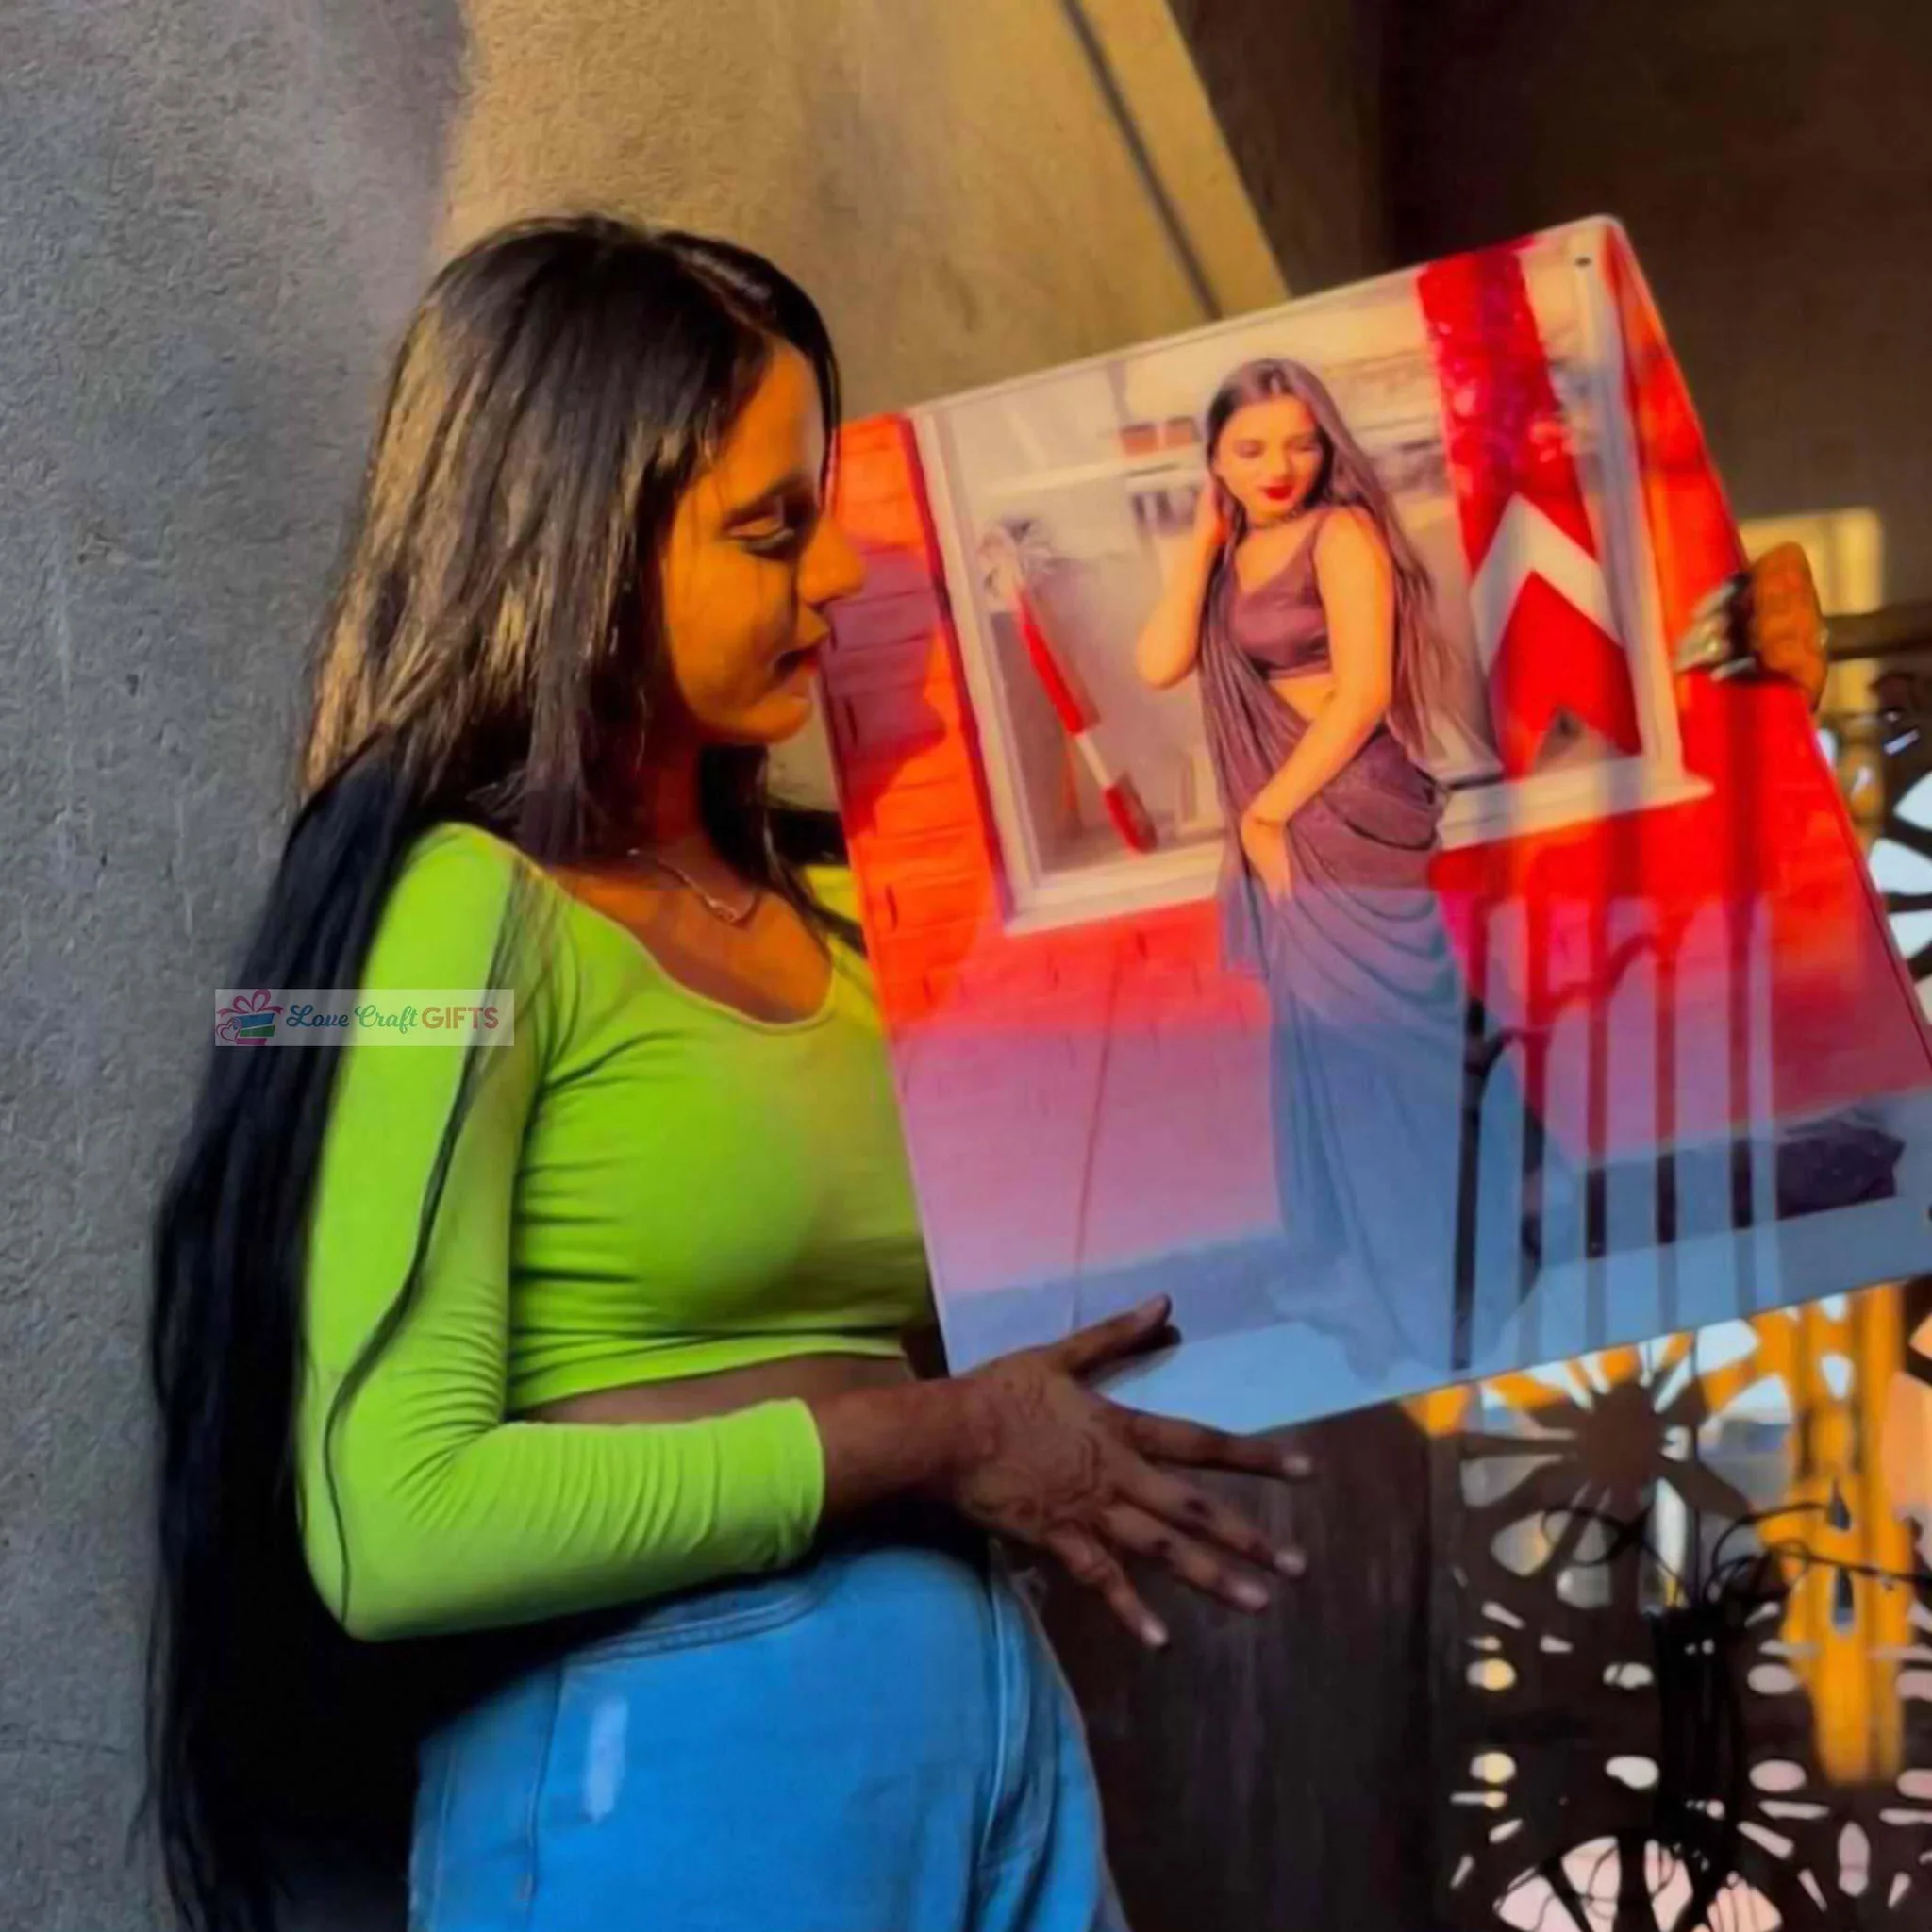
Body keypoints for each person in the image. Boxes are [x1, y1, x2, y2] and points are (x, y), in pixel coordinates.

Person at [143, 215, 1315, 1932]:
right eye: (773, 528)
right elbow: (398, 1521)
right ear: (582, 547)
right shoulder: (461, 923)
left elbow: (1240, 1116)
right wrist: (935, 1435)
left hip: (989, 1759)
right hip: (664, 1787)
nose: (840, 570)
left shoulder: (849, 912)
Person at [1134, 358, 1534, 1379]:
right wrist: (1199, 546)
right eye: (1250, 447)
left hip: (1344, 812)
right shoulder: (1229, 552)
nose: (1279, 466)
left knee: (1389, 1061)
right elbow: (1158, 662)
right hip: (1285, 820)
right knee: (1333, 1067)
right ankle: (1377, 1279)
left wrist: (1269, 811)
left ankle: (1443, 1291)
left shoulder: (1342, 535)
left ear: (1327, 447)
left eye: (1300, 443)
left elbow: (1361, 695)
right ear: (1215, 458)